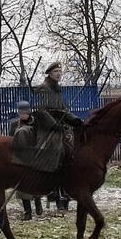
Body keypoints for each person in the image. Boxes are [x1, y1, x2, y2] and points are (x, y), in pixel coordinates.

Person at [35, 60, 84, 213]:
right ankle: (53, 192)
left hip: (60, 128)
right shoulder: (44, 89)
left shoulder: (57, 90)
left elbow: (62, 111)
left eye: (60, 72)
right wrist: (53, 124)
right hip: (47, 129)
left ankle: (66, 191)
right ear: (50, 74)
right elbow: (42, 111)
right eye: (56, 72)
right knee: (57, 154)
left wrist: (74, 119)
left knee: (72, 153)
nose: (59, 74)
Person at [8, 100, 43, 221]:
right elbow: (11, 140)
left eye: (25, 113)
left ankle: (38, 203)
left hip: (35, 158)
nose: (23, 115)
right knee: (23, 186)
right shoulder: (14, 125)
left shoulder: (36, 124)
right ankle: (27, 212)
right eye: (20, 113)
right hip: (21, 159)